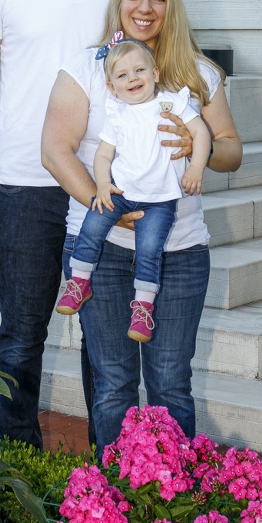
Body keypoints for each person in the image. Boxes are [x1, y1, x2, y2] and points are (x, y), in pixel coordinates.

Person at [0, 0, 189, 449]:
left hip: (105, 185)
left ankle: (104, 474)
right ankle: (17, 466)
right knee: (21, 333)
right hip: (25, 183)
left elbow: (161, 64)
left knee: (105, 343)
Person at [41, 0, 243, 459]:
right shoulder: (89, 68)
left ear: (171, 4)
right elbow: (54, 150)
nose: (145, 8)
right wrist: (103, 203)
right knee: (112, 384)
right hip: (103, 250)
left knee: (171, 384)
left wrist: (201, 149)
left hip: (179, 251)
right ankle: (112, 505)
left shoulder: (197, 74)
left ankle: (174, 507)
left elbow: (232, 149)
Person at [56, 36, 211, 344]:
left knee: (150, 249)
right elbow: (103, 155)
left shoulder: (170, 103)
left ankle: (143, 308)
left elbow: (200, 132)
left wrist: (195, 168)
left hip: (160, 201)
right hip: (121, 194)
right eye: (122, 76)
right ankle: (79, 283)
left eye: (139, 70)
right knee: (91, 226)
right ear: (112, 87)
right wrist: (102, 185)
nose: (132, 79)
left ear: (154, 73)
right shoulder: (117, 114)